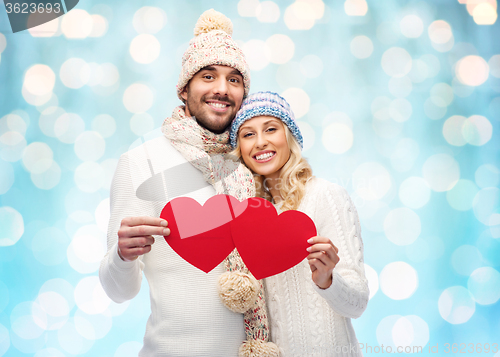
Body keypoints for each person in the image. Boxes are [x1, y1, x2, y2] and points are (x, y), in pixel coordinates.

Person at [99, 10, 277, 357]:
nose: (222, 89)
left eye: (234, 79)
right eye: (208, 76)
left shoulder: (253, 163)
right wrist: (121, 255)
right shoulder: (142, 160)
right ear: (185, 88)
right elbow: (117, 291)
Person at [229, 91, 370, 356]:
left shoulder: (326, 195)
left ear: (290, 136)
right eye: (248, 134)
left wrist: (327, 280)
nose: (260, 142)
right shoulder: (249, 216)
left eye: (270, 129)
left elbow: (358, 303)